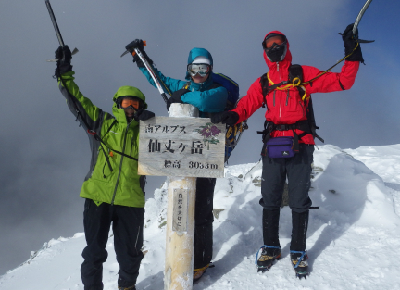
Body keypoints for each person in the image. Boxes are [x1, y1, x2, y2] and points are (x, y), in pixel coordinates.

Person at [211, 24, 363, 277]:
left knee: (299, 200)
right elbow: (247, 105)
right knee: (270, 197)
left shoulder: (302, 74)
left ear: (286, 45)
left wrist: (352, 52)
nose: (274, 48)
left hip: (301, 144)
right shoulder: (264, 81)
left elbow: (342, 81)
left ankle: (298, 250)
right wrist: (232, 115)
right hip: (273, 145)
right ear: (264, 51)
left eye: (278, 43)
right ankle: (271, 247)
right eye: (268, 45)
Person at [124, 39, 228, 281]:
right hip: (181, 157)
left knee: (201, 211)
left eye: (204, 69)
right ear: (188, 69)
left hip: (205, 158)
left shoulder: (218, 91)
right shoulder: (182, 86)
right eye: (195, 69)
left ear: (210, 70)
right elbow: (158, 80)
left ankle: (201, 261)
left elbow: (203, 102)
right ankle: (184, 257)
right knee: (183, 209)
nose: (199, 74)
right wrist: (141, 60)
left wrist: (181, 97)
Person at [54, 45, 155, 290]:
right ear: (117, 104)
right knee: (94, 253)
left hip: (130, 200)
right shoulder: (102, 123)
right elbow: (75, 99)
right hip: (98, 196)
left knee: (130, 253)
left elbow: (177, 146)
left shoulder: (149, 132)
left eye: (135, 104)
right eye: (125, 103)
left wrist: (153, 124)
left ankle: (127, 286)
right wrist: (63, 71)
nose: (129, 108)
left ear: (141, 107)